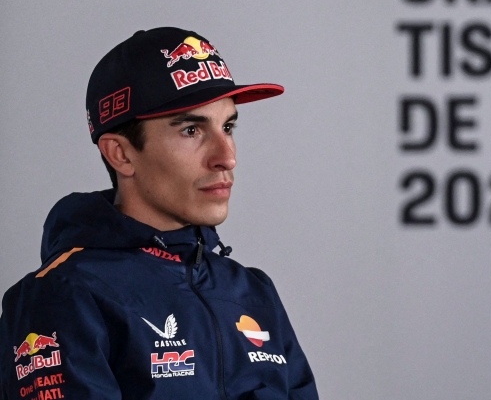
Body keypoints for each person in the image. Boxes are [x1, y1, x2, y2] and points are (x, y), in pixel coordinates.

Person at [0, 27, 318, 400]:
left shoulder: (252, 292)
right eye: (190, 130)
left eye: (228, 126)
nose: (226, 156)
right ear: (121, 154)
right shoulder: (63, 294)